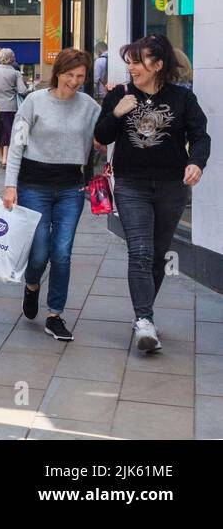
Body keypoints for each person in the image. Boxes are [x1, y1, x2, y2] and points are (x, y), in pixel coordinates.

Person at [95, 34, 210, 354]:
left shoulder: (182, 99)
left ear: (158, 65)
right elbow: (101, 136)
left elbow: (200, 136)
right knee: (141, 252)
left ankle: (144, 316)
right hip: (131, 185)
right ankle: (144, 320)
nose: (131, 67)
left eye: (139, 60)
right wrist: (116, 112)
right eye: (130, 60)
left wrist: (196, 163)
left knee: (158, 256)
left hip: (172, 187)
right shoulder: (120, 94)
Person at [3, 48, 101, 343]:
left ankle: (55, 314)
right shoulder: (34, 101)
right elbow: (17, 143)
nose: (74, 81)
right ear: (57, 72)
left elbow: (104, 138)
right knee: (40, 252)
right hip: (34, 185)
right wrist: (11, 185)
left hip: (71, 188)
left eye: (80, 76)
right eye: (70, 74)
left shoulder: (89, 107)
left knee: (62, 252)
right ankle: (32, 285)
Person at [0, 47, 29, 169]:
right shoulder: (15, 73)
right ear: (12, 58)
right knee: (8, 132)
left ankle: (2, 157)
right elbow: (22, 91)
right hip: (11, 106)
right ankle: (5, 159)